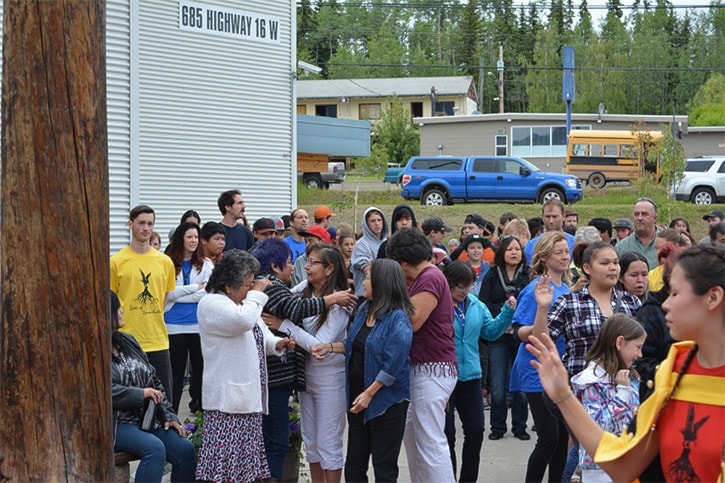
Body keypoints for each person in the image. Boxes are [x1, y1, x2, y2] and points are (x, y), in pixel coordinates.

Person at [525, 245, 725, 483]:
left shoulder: (636, 309)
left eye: (674, 293)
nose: (665, 305)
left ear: (713, 297)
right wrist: (563, 394)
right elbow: (623, 464)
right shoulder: (673, 372)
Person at [251, 238, 356, 481]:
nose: (306, 267)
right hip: (306, 379)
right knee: (311, 442)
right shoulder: (305, 291)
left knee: (329, 442)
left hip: (330, 380)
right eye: (306, 261)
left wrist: (284, 325)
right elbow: (287, 295)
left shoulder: (340, 304)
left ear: (329, 269)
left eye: (313, 263)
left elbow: (318, 345)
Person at [195, 249, 295, 483]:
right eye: (248, 284)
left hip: (246, 401)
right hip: (226, 404)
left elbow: (261, 333)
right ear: (229, 285)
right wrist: (258, 294)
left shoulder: (242, 303)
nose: (251, 289)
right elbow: (243, 321)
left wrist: (277, 343)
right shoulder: (212, 303)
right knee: (226, 471)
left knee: (245, 472)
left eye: (253, 284)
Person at [311, 259, 414, 483]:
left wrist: (369, 394)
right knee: (355, 468)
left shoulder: (398, 319)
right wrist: (329, 347)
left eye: (367, 277)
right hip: (358, 402)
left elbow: (393, 366)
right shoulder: (364, 309)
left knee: (383, 468)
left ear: (382, 282)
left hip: (385, 404)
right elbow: (355, 345)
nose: (363, 281)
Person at [386, 228, 458, 482]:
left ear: (403, 261)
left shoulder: (430, 277)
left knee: (430, 440)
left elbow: (414, 320)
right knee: (415, 439)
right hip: (425, 367)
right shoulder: (427, 277)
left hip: (432, 366)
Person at [111, 291, 196, 483]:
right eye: (117, 307)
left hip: (145, 419)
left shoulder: (127, 341)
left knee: (185, 448)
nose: (122, 311)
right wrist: (140, 394)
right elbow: (102, 392)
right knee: (154, 448)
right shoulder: (91, 350)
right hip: (115, 424)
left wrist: (168, 414)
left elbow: (154, 380)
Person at [443, 261, 516, 482]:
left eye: (469, 286)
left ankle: (468, 479)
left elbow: (491, 332)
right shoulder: (438, 305)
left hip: (472, 376)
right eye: (460, 286)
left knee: (475, 429)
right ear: (448, 283)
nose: (465, 291)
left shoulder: (475, 304)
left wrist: (507, 312)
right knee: (446, 434)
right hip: (444, 377)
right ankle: (447, 477)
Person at [510, 231, 572, 482]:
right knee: (549, 438)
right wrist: (542, 311)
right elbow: (521, 330)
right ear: (544, 257)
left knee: (562, 438)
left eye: (566, 251)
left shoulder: (566, 287)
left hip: (559, 369)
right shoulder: (536, 289)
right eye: (559, 252)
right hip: (536, 368)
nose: (565, 256)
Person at [533, 241, 642, 378]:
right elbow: (542, 341)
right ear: (587, 268)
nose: (613, 268)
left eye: (615, 263)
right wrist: (542, 308)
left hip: (622, 388)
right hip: (580, 388)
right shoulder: (569, 302)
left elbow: (643, 345)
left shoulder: (631, 302)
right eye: (604, 263)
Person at [110, 205, 176, 397]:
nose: (146, 228)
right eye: (141, 223)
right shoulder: (116, 262)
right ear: (130, 224)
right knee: (135, 397)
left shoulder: (165, 262)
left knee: (165, 398)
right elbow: (112, 302)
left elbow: (164, 296)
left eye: (150, 223)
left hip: (157, 340)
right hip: (127, 339)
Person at [570, 314, 645, 483]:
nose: (640, 354)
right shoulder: (591, 382)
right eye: (637, 347)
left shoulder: (629, 375)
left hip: (628, 462)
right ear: (620, 343)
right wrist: (622, 394)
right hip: (600, 469)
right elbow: (597, 428)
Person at [478, 235, 531, 442]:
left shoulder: (527, 275)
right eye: (509, 249)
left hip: (521, 336)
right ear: (502, 253)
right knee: (498, 385)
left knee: (520, 385)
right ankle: (498, 426)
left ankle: (520, 426)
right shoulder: (492, 275)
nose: (514, 253)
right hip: (499, 335)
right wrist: (504, 311)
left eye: (517, 249)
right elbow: (483, 304)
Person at [163, 222, 214, 414]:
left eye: (195, 237)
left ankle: (201, 413)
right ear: (180, 239)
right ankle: (172, 414)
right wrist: (194, 288)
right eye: (189, 237)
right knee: (175, 374)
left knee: (200, 372)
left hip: (198, 325)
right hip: (173, 325)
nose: (193, 241)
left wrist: (179, 294)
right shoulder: (166, 261)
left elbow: (208, 291)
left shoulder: (206, 264)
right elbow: (166, 293)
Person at [524, 199, 576, 265]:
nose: (551, 221)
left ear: (563, 217)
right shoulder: (532, 246)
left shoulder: (575, 243)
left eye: (555, 217)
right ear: (542, 217)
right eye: (547, 217)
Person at [351, 207, 389, 295]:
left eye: (379, 220)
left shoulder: (387, 242)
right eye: (373, 221)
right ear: (366, 224)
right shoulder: (361, 245)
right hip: (364, 295)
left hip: (383, 295)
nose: (377, 223)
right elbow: (368, 270)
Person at [615, 197, 659, 269]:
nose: (639, 218)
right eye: (636, 214)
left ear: (655, 218)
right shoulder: (621, 247)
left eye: (644, 214)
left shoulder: (666, 243)